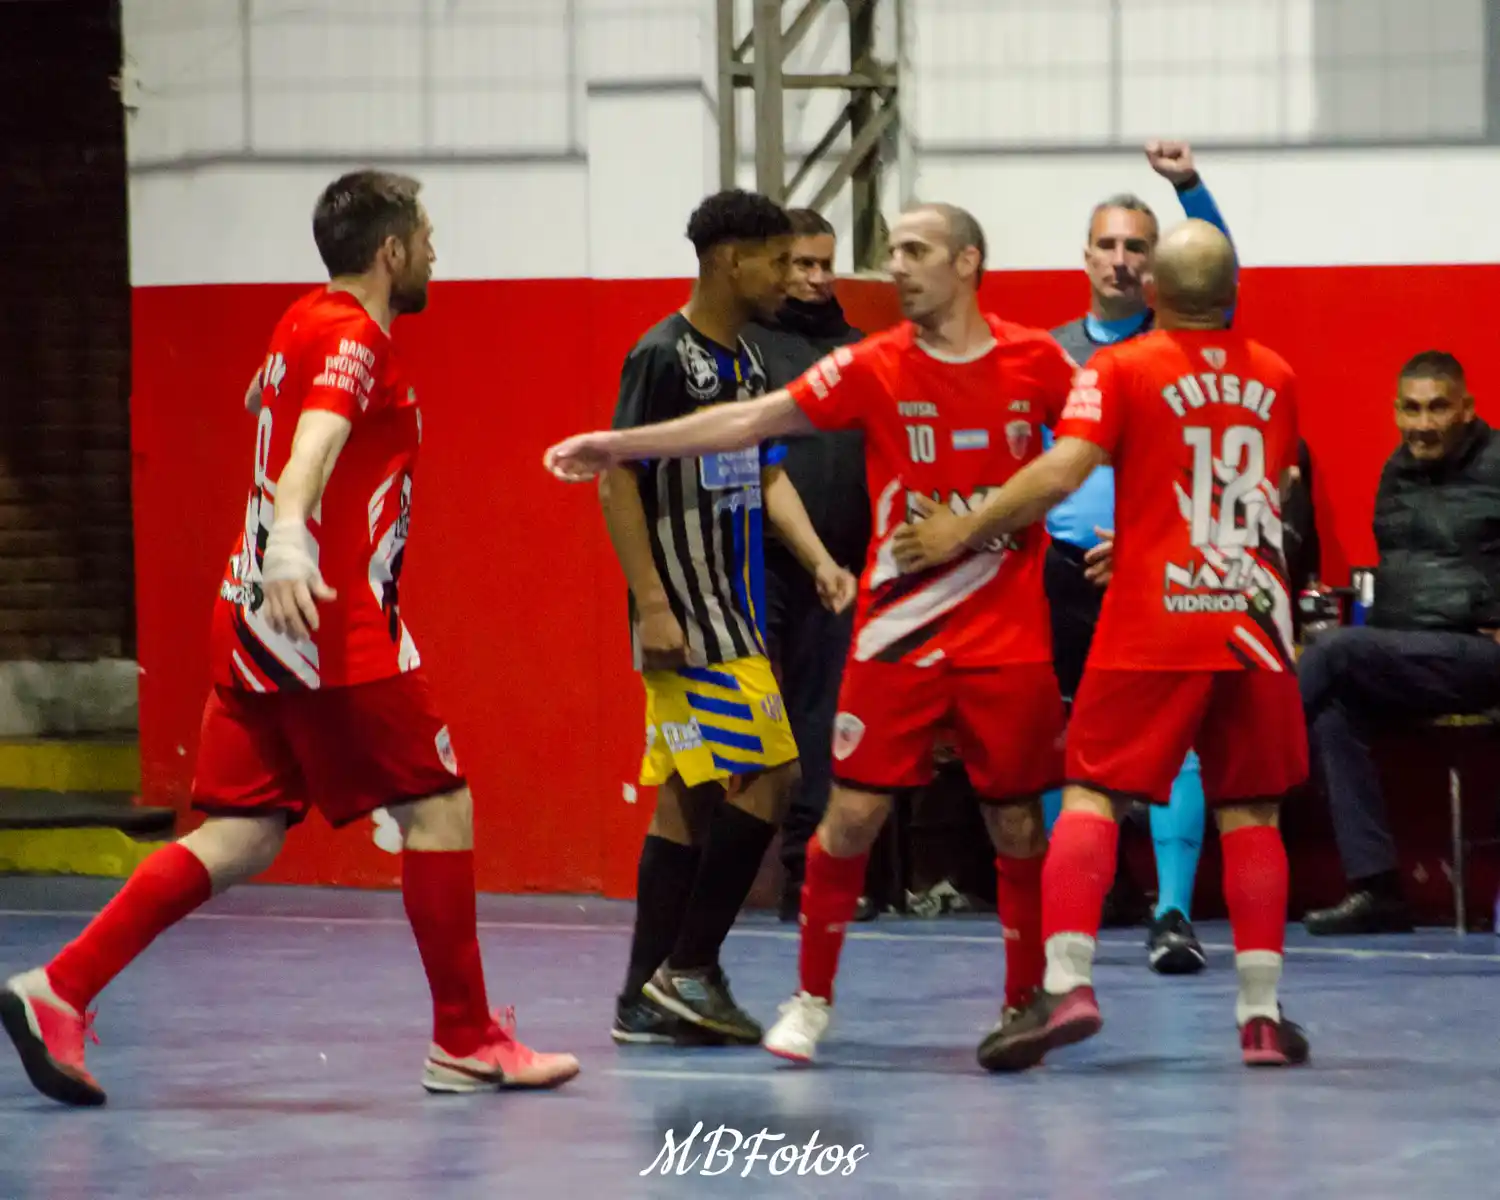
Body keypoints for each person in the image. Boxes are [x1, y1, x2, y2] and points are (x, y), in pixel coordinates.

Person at [0, 170, 580, 1106]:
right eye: (426, 237)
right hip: (327, 626)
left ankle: (57, 988)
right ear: (390, 251)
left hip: (252, 623)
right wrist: (292, 535)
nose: (435, 253)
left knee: (242, 835)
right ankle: (466, 1040)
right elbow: (314, 440)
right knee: (441, 809)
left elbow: (274, 407)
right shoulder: (354, 338)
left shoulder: (303, 320)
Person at [546, 201, 1079, 1066]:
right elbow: (733, 432)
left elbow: (1092, 445)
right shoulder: (848, 362)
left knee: (1009, 823)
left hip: (979, 634)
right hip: (819, 627)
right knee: (815, 800)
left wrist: (921, 538)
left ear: (968, 262)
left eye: (915, 250)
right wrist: (618, 451)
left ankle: (1022, 998)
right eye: (892, 249)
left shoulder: (1034, 360)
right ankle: (754, 986)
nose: (893, 266)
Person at [894, 220, 1311, 1070]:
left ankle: (1066, 982)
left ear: (1153, 289)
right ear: (1232, 292)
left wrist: (963, 528)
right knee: (1251, 809)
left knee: (1089, 793)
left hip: (1157, 614)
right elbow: (1268, 485)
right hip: (1252, 615)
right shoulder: (1276, 373)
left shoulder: (1120, 366)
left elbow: (1062, 469)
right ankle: (1261, 1015)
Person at [599, 190, 856, 1048]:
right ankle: (691, 968)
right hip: (692, 615)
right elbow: (617, 479)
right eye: (778, 261)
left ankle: (643, 997)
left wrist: (818, 561)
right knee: (774, 777)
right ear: (728, 261)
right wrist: (653, 605)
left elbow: (767, 473)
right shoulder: (661, 356)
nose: (789, 277)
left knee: (691, 794)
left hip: (734, 607)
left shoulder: (746, 360)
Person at [1042, 141, 1235, 974]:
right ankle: (1071, 915)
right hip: (1060, 571)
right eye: (1108, 245)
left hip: (1158, 569)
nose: (1121, 260)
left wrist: (1188, 186)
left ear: (1159, 265)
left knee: (1175, 742)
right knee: (1058, 739)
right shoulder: (1047, 354)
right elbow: (1033, 465)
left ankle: (1172, 914)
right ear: (1085, 256)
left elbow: (1221, 267)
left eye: (1137, 247)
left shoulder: (1189, 344)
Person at [1302, 352, 1500, 935]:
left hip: (1479, 655)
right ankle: (1378, 888)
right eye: (1411, 409)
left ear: (1467, 408)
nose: (1423, 424)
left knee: (1333, 652)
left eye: (1438, 408)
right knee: (1335, 707)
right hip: (1411, 655)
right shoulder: (1398, 469)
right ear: (1395, 411)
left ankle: (1239, 762)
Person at [744, 208, 873, 923]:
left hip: (841, 568)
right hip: (758, 562)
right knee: (750, 716)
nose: (819, 278)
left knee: (827, 721)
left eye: (827, 264)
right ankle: (717, 875)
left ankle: (809, 874)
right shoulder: (748, 348)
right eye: (803, 265)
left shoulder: (859, 352)